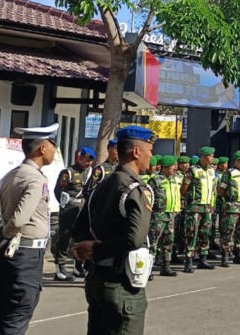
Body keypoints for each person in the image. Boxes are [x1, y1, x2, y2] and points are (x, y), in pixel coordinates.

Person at [72, 125, 156, 335]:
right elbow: (135, 239)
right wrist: (98, 250)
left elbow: (79, 228)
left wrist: (87, 248)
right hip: (121, 285)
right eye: (149, 151)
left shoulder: (102, 185)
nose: (151, 157)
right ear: (136, 152)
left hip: (97, 279)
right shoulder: (135, 189)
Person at [0, 123, 58, 335]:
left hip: (9, 255)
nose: (54, 150)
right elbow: (17, 221)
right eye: (53, 144)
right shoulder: (35, 178)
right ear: (42, 148)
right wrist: (1, 240)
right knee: (16, 316)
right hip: (26, 255)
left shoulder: (11, 175)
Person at [52, 146, 95, 281]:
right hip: (69, 208)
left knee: (81, 236)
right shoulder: (68, 172)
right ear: (80, 158)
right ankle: (60, 267)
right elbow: (58, 190)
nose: (88, 164)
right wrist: (63, 204)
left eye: (90, 162)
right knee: (65, 236)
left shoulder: (90, 172)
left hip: (83, 208)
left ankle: (78, 266)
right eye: (86, 160)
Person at [180, 146, 217, 272]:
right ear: (202, 157)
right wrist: (191, 201)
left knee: (205, 233)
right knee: (191, 233)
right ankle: (189, 261)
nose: (211, 158)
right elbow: (183, 189)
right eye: (209, 156)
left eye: (212, 156)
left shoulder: (212, 171)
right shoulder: (192, 170)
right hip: (194, 208)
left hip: (207, 207)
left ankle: (203, 259)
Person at [147, 155, 180, 278]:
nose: (175, 168)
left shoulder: (174, 179)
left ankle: (166, 266)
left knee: (168, 241)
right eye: (173, 166)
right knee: (153, 242)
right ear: (165, 168)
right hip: (158, 215)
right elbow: (148, 197)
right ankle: (148, 268)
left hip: (170, 214)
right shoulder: (155, 180)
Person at [217, 150, 240, 266]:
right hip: (232, 207)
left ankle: (238, 254)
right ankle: (225, 256)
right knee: (228, 231)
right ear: (237, 161)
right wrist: (229, 200)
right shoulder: (229, 173)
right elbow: (221, 190)